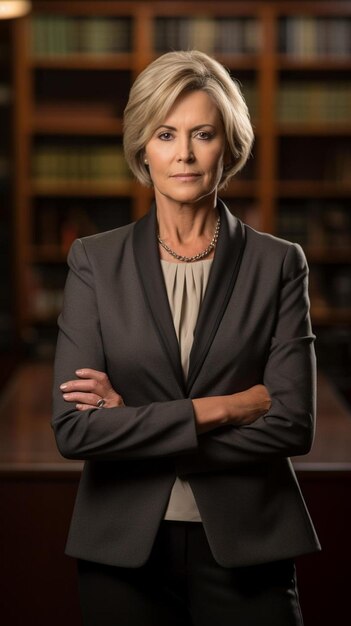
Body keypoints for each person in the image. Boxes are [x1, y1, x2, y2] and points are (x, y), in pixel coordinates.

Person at [52, 50, 320, 626]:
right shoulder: (94, 262)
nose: (185, 154)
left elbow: (294, 424)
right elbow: (74, 429)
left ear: (229, 145)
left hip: (249, 543)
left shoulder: (279, 264)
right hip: (121, 547)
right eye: (166, 134)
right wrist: (225, 407)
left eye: (203, 134)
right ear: (142, 147)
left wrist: (135, 423)